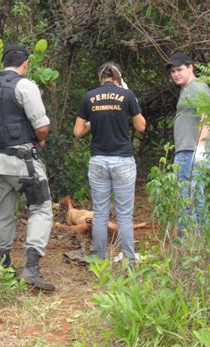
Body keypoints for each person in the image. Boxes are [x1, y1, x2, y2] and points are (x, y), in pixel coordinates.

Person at [0, 44, 55, 291]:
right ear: (25, 64)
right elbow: (42, 127)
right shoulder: (25, 85)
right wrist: (38, 140)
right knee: (41, 208)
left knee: (3, 212)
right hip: (24, 160)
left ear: (2, 63)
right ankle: (30, 268)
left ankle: (4, 267)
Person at [74, 63, 146, 263]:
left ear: (100, 79)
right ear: (118, 78)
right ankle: (130, 260)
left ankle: (98, 259)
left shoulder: (89, 97)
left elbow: (78, 131)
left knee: (100, 213)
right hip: (122, 160)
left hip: (98, 161)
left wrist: (93, 121)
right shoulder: (127, 95)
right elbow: (141, 126)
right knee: (124, 215)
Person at [166, 52, 210, 235]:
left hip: (193, 152)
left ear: (190, 67)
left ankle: (199, 241)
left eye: (180, 69)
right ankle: (186, 243)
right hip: (183, 151)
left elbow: (206, 118)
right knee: (184, 198)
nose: (176, 74)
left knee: (194, 198)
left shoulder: (198, 87)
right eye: (173, 71)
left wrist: (201, 148)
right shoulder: (186, 90)